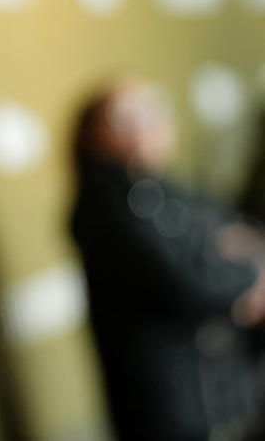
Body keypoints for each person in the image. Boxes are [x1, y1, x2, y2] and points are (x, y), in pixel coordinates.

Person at [70, 78, 265, 441]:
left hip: (215, 394)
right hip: (167, 407)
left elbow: (237, 232)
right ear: (92, 133)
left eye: (150, 110)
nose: (146, 124)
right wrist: (246, 282)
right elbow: (186, 283)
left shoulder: (157, 188)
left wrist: (238, 267)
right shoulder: (107, 205)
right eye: (125, 117)